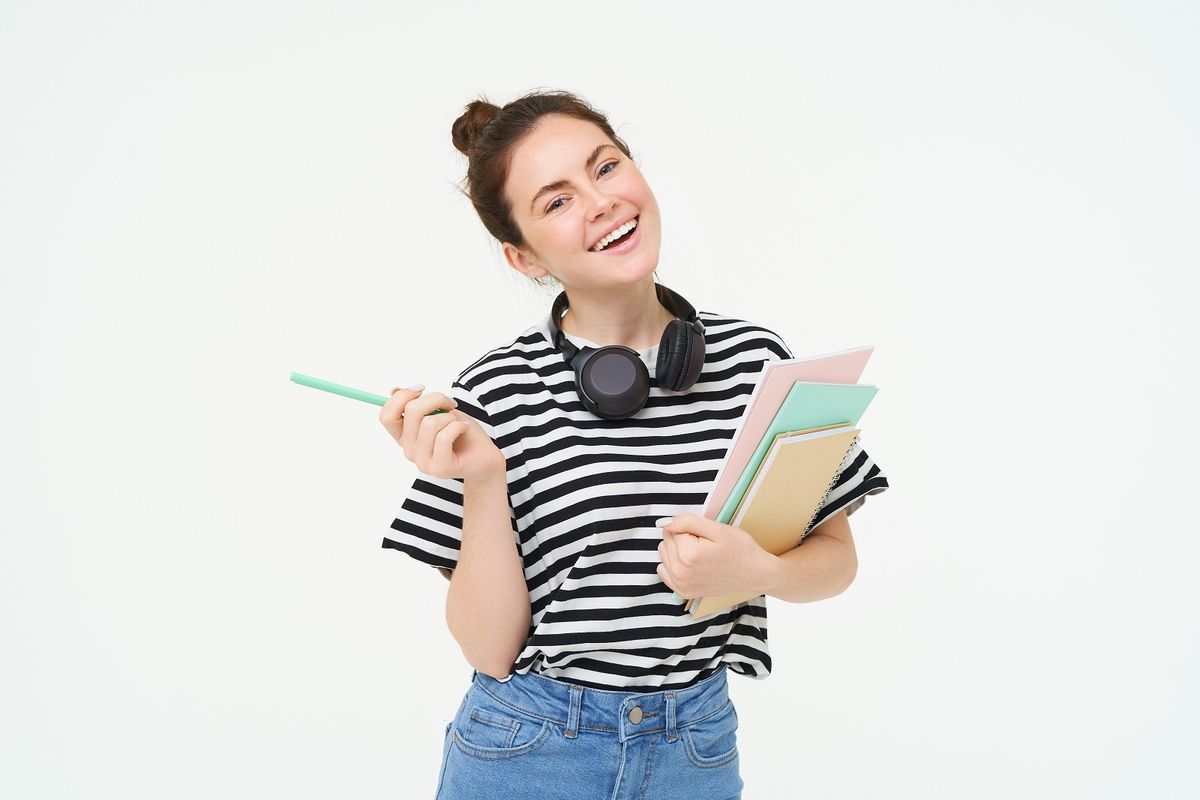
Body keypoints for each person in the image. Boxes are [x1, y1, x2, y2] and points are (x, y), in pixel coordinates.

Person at [378, 90, 889, 799]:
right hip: (531, 748)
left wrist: (756, 569)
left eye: (606, 168)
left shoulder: (758, 364)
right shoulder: (493, 391)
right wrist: (484, 480)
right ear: (522, 257)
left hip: (697, 745)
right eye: (556, 202)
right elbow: (488, 650)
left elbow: (837, 562)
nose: (599, 203)